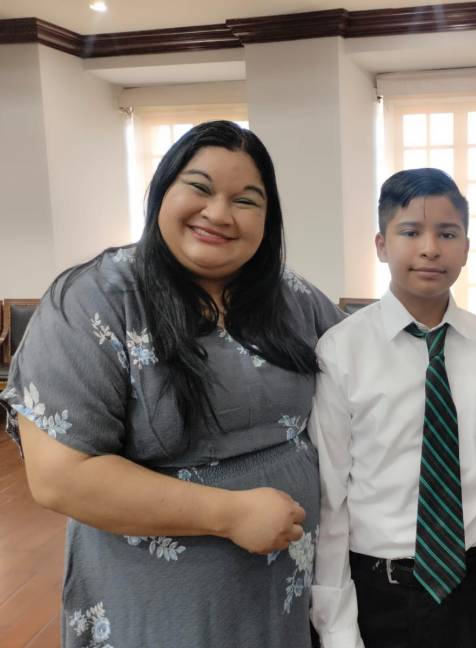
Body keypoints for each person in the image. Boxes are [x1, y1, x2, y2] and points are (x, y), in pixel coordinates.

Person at [0, 120, 345, 647]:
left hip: (287, 587)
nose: (219, 214)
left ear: (268, 218)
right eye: (200, 187)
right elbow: (59, 477)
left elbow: (368, 377)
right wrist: (228, 514)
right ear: (163, 189)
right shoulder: (96, 300)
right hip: (158, 600)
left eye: (246, 200)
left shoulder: (293, 297)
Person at [309, 168, 476, 648]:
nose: (430, 247)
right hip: (382, 594)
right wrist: (339, 627)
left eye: (447, 234)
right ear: (382, 245)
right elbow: (331, 496)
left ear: (466, 247)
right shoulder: (341, 352)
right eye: (411, 232)